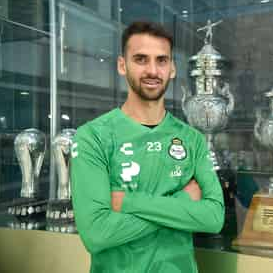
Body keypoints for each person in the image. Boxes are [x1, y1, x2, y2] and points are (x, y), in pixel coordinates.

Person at [71, 21, 225, 273]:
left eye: (161, 60)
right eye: (141, 59)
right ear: (122, 65)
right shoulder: (93, 137)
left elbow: (213, 218)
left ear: (172, 68)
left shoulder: (192, 139)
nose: (152, 70)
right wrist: (183, 201)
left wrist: (129, 202)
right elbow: (96, 234)